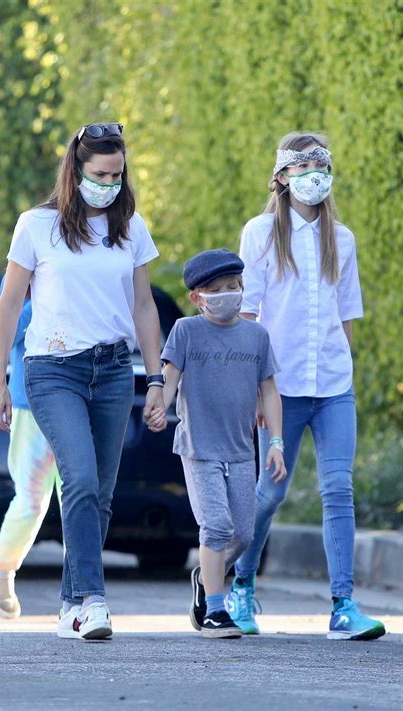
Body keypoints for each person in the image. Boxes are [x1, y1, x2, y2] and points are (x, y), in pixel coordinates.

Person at [0, 122, 165, 641]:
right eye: (100, 174)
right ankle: (92, 600)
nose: (110, 184)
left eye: (117, 175)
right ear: (76, 170)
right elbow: (8, 305)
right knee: (80, 480)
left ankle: (71, 606)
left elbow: (143, 306)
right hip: (53, 369)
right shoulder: (36, 226)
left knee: (100, 495)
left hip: (112, 370)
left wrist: (156, 379)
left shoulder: (131, 227)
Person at [227, 131, 386, 640]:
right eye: (303, 168)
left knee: (338, 488)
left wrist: (344, 367)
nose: (314, 177)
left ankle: (343, 605)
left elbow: (347, 316)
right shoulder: (260, 234)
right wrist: (253, 389)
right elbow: (248, 314)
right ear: (282, 176)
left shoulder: (342, 239)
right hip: (280, 388)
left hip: (334, 386)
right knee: (270, 492)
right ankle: (240, 585)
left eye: (322, 168)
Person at [146, 249, 286, 638]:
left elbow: (269, 391)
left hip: (241, 450)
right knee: (217, 526)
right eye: (219, 289)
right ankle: (215, 609)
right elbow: (171, 377)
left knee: (243, 534)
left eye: (234, 286)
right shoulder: (186, 331)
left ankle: (206, 578)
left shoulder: (256, 336)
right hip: (199, 448)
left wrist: (276, 442)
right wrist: (161, 406)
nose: (229, 294)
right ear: (198, 298)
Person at [0, 281, 61, 619]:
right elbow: (8, 329)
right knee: (32, 501)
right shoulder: (21, 266)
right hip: (30, 401)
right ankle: (0, 567)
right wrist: (43, 302)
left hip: (81, 397)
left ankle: (82, 592)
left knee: (80, 497)